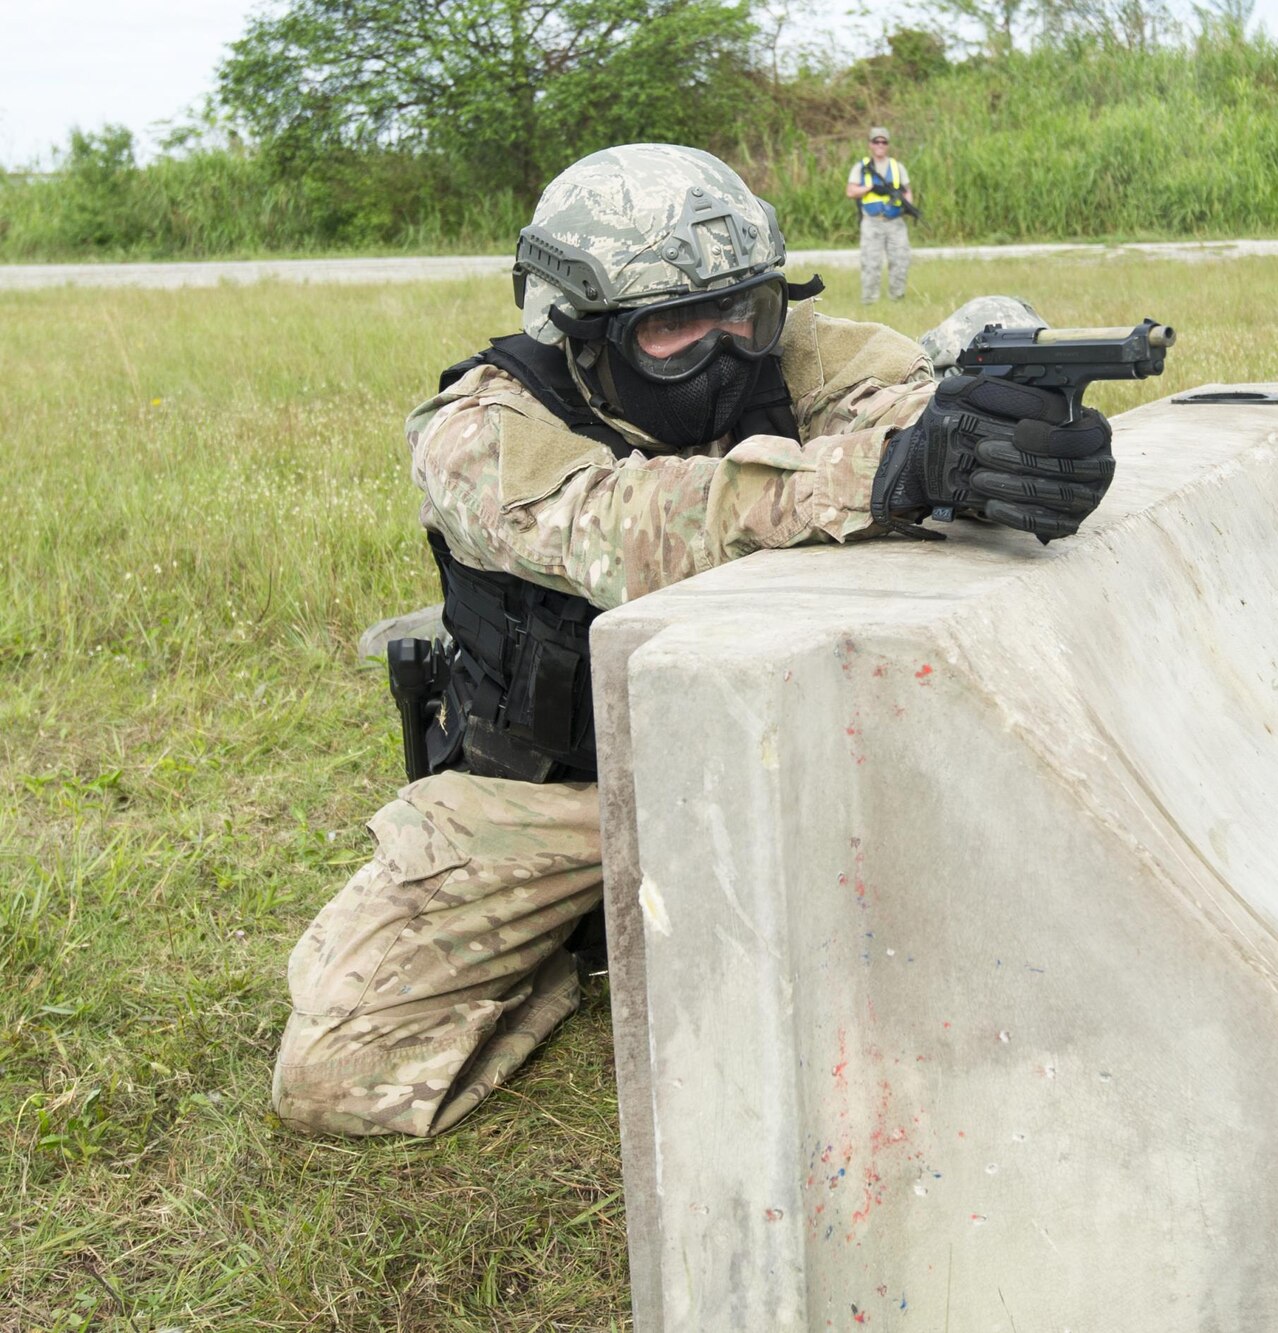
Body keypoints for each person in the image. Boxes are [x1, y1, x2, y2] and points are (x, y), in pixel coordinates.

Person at [268, 144, 1115, 1138]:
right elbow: (630, 529)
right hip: (555, 793)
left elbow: (901, 410)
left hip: (783, 757)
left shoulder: (793, 351)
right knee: (335, 1075)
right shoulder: (484, 427)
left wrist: (1001, 443)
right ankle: (584, 944)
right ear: (581, 330)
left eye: (742, 312)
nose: (723, 347)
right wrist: (881, 479)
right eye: (671, 326)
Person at [845, 126, 915, 304]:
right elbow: (851, 191)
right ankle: (869, 301)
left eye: (884, 141)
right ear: (870, 144)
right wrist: (870, 188)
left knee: (900, 260)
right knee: (871, 263)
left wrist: (907, 206)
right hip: (872, 222)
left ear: (888, 144)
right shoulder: (861, 167)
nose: (880, 144)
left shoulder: (897, 166)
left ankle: (897, 298)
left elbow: (907, 191)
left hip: (895, 222)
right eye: (876, 141)